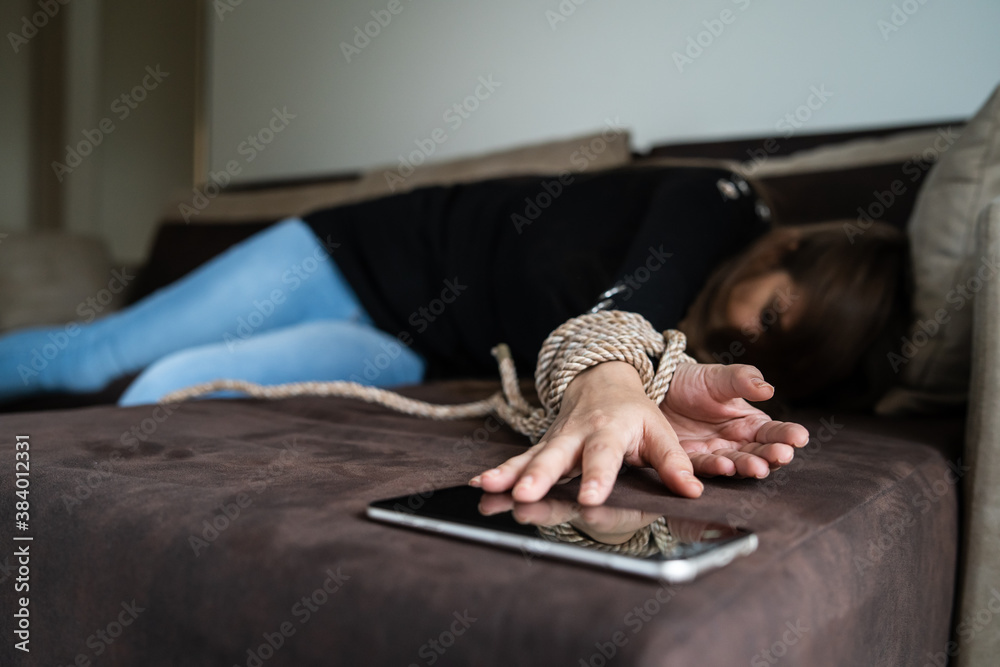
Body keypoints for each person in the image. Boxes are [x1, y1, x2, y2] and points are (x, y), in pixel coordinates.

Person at [0, 166, 910, 506]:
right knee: (95, 354)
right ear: (786, 246)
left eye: (778, 352)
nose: (750, 337)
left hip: (412, 349)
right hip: (351, 256)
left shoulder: (696, 346)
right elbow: (636, 291)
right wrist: (610, 377)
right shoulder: (719, 200)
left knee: (170, 378)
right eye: (776, 313)